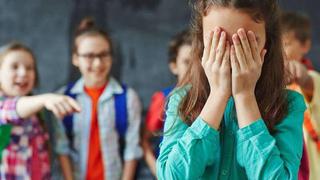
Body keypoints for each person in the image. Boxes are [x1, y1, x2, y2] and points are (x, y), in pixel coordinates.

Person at [156, 0, 306, 179]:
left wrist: (245, 96)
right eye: (218, 41)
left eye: (246, 42)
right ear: (202, 42)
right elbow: (171, 176)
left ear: (268, 42)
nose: (232, 54)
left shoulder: (289, 105)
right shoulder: (182, 100)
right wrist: (217, 95)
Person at [54, 18, 143, 180]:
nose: (97, 63)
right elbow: (62, 148)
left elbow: (132, 149)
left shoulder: (128, 98)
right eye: (89, 56)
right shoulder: (63, 98)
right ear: (75, 58)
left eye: (104, 55)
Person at [0, 42, 80, 179]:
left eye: (29, 68)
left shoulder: (36, 111)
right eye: (14, 66)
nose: (23, 72)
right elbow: (12, 109)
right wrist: (44, 99)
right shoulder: (9, 106)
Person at [142, 30, 192, 176]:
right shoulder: (164, 98)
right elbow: (145, 142)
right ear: (174, 66)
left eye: (199, 60)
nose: (194, 69)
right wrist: (160, 173)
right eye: (187, 62)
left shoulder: (215, 98)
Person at [282, 11, 320, 179]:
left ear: (305, 45)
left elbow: (309, 82)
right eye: (276, 44)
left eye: (287, 43)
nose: (281, 50)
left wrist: (302, 77)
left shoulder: (312, 78)